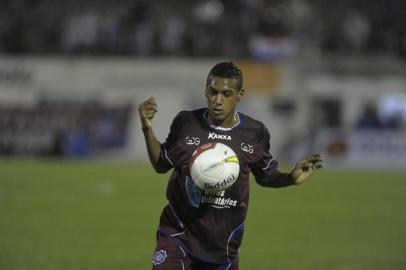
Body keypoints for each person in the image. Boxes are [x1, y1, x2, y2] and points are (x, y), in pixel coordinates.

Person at [138, 61, 323, 270]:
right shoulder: (187, 123)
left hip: (221, 248)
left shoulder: (255, 133)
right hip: (178, 233)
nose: (218, 100)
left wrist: (291, 178)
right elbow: (162, 163)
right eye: (213, 92)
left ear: (240, 94)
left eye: (226, 94)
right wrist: (147, 128)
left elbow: (265, 176)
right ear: (206, 91)